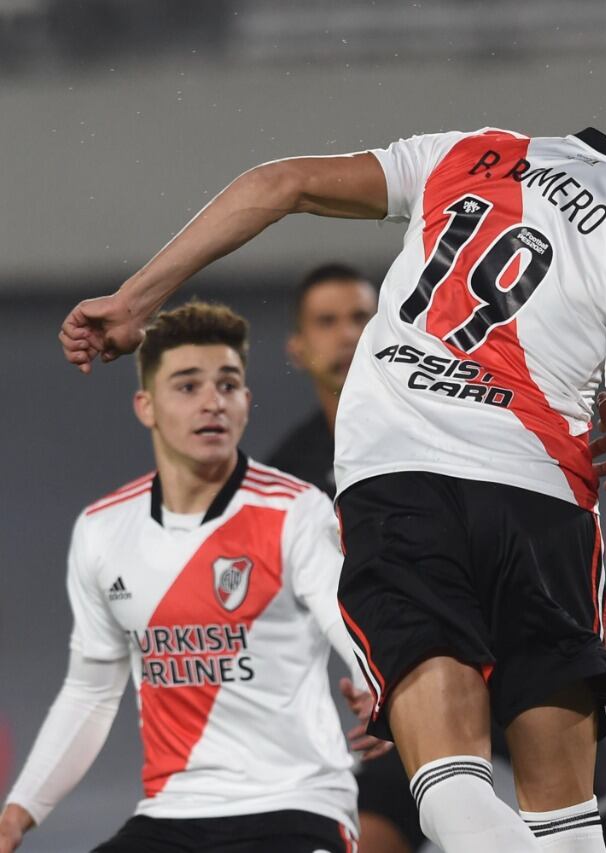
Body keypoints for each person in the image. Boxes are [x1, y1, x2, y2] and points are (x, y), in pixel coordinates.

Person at [59, 25, 606, 852]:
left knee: (450, 789)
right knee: (565, 816)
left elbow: (282, 181)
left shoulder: (473, 153)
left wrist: (135, 300)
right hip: (539, 508)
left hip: (401, 490)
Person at [269, 262, 606, 853]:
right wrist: (362, 668)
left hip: (520, 644)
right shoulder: (292, 476)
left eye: (360, 317)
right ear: (298, 349)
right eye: (327, 322)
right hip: (425, 665)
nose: (348, 335)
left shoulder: (454, 414)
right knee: (372, 835)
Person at [1, 301, 385, 853]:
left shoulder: (297, 510)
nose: (212, 401)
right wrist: (18, 815)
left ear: (247, 403)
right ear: (146, 406)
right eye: (187, 386)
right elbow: (90, 691)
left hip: (296, 808)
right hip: (172, 814)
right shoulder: (104, 529)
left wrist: (379, 681)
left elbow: (344, 617)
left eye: (228, 385)